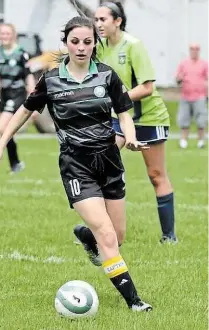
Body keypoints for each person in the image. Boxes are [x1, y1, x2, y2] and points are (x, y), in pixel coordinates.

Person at [0, 16, 152, 312]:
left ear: (94, 44)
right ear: (65, 43)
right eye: (75, 41)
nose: (81, 47)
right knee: (107, 235)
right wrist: (1, 144)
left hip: (110, 161)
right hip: (76, 165)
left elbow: (125, 111)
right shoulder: (50, 80)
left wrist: (129, 137)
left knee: (118, 235)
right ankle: (135, 302)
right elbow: (25, 111)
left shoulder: (107, 75)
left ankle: (85, 236)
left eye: (87, 42)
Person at [81, 1, 177, 244]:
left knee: (156, 175)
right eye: (96, 20)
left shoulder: (133, 46)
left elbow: (146, 88)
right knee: (101, 166)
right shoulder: (100, 48)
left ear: (118, 21)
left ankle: (169, 236)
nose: (98, 24)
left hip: (148, 117)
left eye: (103, 19)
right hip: (119, 119)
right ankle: (101, 231)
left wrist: (116, 101)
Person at [0, 23, 36, 173]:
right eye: (2, 34)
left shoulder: (21, 53)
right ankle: (16, 163)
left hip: (17, 95)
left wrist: (33, 101)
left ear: (13, 35)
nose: (5, 36)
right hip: (5, 96)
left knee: (2, 128)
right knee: (4, 131)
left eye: (7, 33)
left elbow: (29, 78)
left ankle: (14, 162)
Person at [176, 43, 208, 149]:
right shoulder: (183, 63)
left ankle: (201, 141)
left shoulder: (204, 64)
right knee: (184, 119)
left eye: (196, 49)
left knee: (201, 120)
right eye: (192, 49)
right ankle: (184, 141)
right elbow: (177, 79)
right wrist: (179, 78)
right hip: (186, 96)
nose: (194, 51)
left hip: (200, 96)